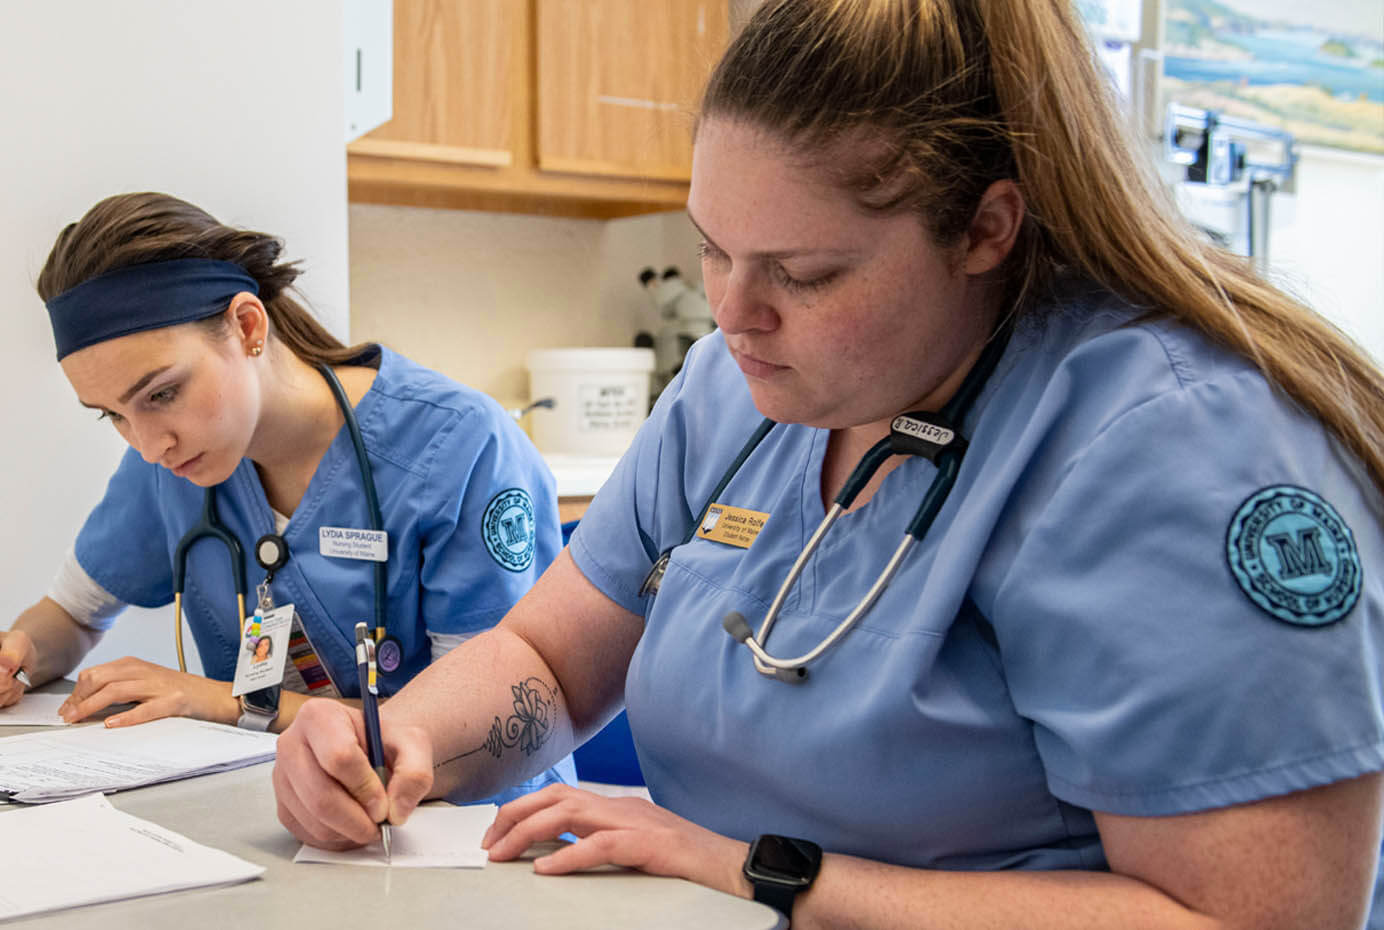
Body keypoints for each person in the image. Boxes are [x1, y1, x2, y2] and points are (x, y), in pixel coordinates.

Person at [270, 0, 1384, 926]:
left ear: (985, 229)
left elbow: (1249, 920)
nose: (734, 314)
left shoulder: (1184, 450)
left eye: (803, 274)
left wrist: (764, 870)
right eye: (710, 247)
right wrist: (401, 737)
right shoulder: (731, 391)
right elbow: (552, 661)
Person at [0, 192, 574, 804]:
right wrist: (9, 658)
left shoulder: (461, 449)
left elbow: (470, 728)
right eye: (113, 416)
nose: (149, 443)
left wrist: (225, 703)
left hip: (475, 831)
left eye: (161, 394)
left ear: (246, 326)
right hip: (285, 821)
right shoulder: (174, 461)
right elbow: (71, 616)